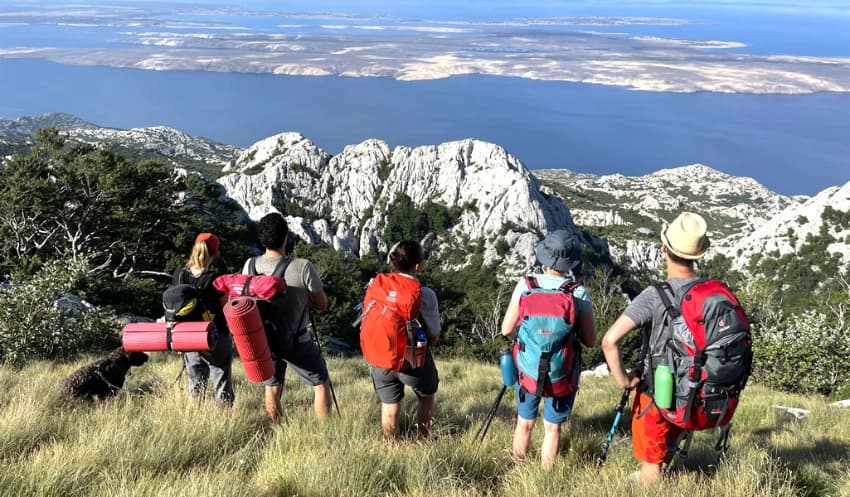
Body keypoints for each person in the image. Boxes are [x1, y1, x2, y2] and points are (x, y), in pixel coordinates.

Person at [601, 212, 711, 485]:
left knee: (651, 461)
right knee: (669, 444)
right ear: (698, 254)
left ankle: (652, 483)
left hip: (657, 391)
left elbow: (609, 340)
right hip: (695, 390)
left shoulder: (654, 295)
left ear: (664, 249)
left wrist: (625, 381)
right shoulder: (707, 293)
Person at [500, 230, 597, 469]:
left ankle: (518, 469)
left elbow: (506, 329)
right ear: (571, 261)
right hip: (561, 371)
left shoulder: (526, 285)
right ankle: (545, 478)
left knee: (524, 423)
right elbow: (591, 340)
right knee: (552, 428)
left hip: (528, 368)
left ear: (544, 256)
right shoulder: (578, 293)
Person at [243, 212, 331, 422]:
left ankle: (278, 428)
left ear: (261, 238)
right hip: (297, 339)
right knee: (320, 383)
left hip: (265, 339)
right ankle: (325, 432)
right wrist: (304, 300)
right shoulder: (302, 267)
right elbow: (322, 304)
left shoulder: (250, 265)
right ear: (285, 237)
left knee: (273, 387)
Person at [365, 240, 440, 441]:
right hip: (411, 357)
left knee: (389, 406)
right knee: (426, 396)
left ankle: (392, 445)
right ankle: (423, 439)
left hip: (380, 355)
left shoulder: (376, 285)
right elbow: (433, 335)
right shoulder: (425, 294)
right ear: (417, 266)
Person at [173, 232, 234, 407]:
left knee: (195, 382)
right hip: (215, 335)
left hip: (189, 337)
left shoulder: (179, 274)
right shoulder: (216, 278)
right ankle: (224, 419)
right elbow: (226, 308)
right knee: (221, 378)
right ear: (215, 253)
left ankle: (194, 419)